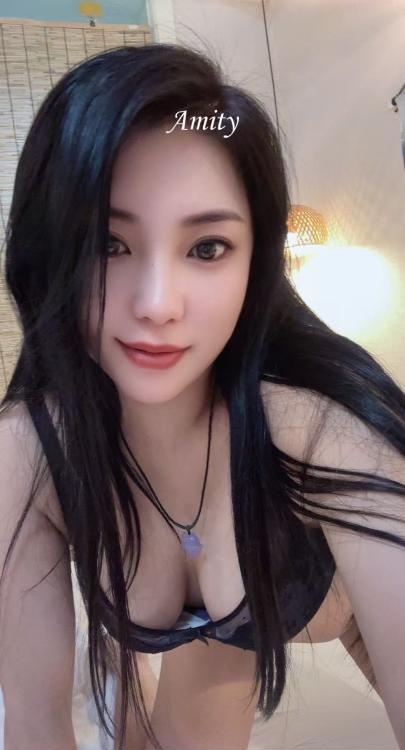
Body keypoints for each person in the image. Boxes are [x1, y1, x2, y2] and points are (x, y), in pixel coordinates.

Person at [0, 41, 404, 750]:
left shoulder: (326, 431)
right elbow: (35, 724)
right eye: (107, 245)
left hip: (328, 603)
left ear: (256, 260)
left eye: (207, 247)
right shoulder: (27, 450)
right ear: (49, 251)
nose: (158, 304)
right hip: (207, 635)